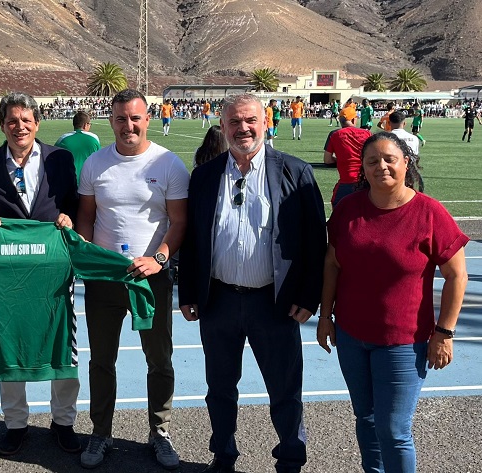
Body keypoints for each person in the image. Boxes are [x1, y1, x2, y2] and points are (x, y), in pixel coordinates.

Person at [177, 94, 326, 473]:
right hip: (219, 301)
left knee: (285, 390)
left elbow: (315, 241)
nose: (243, 128)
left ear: (265, 123)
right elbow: (193, 239)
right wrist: (189, 291)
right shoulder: (205, 176)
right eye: (234, 122)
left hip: (274, 303)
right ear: (222, 127)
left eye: (250, 121)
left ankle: (290, 459)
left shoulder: (295, 172)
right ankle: (223, 455)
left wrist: (309, 296)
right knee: (220, 389)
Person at [317, 132, 468, 473]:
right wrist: (326, 317)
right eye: (372, 161)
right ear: (363, 169)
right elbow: (332, 263)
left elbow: (457, 275)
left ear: (406, 163)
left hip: (403, 341)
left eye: (389, 159)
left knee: (394, 430)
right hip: (352, 337)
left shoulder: (429, 213)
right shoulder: (348, 209)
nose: (381, 166)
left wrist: (444, 332)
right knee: (366, 419)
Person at [76, 88, 189, 470]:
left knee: (159, 360)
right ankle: (101, 432)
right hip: (104, 279)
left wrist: (159, 259)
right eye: (121, 118)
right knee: (101, 361)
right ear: (111, 121)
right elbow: (87, 217)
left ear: (148, 119)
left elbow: (179, 221)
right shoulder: (95, 163)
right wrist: (87, 255)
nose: (128, 125)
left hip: (151, 279)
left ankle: (160, 432)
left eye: (135, 118)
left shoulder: (168, 164)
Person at [0, 92, 81, 456]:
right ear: (2, 125)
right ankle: (15, 424)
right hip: (8, 272)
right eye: (12, 121)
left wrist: (70, 219)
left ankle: (63, 421)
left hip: (53, 269)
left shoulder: (60, 159)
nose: (19, 126)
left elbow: (74, 203)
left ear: (37, 122)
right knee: (10, 343)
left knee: (61, 342)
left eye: (25, 120)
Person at [324, 115, 371, 207]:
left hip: (346, 182)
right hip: (366, 182)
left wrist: (341, 160)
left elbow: (327, 160)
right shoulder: (367, 133)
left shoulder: (335, 134)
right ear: (353, 119)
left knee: (339, 212)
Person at [54, 110, 101, 185]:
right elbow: (99, 160)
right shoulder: (94, 138)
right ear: (85, 125)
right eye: (89, 124)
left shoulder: (63, 139)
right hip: (88, 183)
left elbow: (54, 160)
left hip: (67, 182)